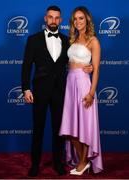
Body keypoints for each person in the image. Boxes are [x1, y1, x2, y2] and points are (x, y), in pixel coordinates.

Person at [22, 5, 93, 177]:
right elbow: (26, 66)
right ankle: (35, 165)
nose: (53, 20)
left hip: (62, 92)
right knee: (38, 128)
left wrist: (89, 66)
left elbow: (76, 59)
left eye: (57, 18)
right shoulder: (33, 39)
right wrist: (25, 88)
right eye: (50, 17)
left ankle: (58, 163)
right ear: (46, 19)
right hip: (39, 91)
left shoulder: (67, 40)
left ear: (60, 21)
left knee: (58, 130)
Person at [59, 6, 103, 175]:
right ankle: (82, 161)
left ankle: (84, 162)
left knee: (84, 126)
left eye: (81, 18)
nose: (78, 21)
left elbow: (97, 69)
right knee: (71, 128)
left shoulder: (94, 41)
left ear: (87, 20)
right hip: (70, 83)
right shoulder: (72, 39)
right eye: (75, 19)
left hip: (84, 84)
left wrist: (91, 92)